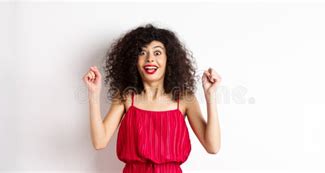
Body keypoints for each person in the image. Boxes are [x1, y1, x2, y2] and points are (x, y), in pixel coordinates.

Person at [83, 24, 221, 173]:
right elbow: (99, 142)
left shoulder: (184, 98)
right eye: (142, 53)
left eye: (157, 53)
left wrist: (210, 96)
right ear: (133, 60)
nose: (150, 59)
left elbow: (212, 146)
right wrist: (93, 94)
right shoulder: (126, 97)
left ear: (169, 59)